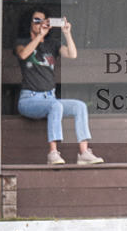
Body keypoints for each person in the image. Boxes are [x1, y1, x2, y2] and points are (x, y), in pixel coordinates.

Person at [14, 9, 103, 165]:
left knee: (80, 106)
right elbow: (23, 55)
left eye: (44, 20)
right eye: (36, 20)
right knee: (55, 106)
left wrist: (67, 33)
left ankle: (83, 153)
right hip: (29, 99)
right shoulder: (21, 42)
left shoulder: (52, 44)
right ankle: (53, 153)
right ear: (28, 23)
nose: (41, 23)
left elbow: (72, 54)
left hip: (50, 97)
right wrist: (40, 35)